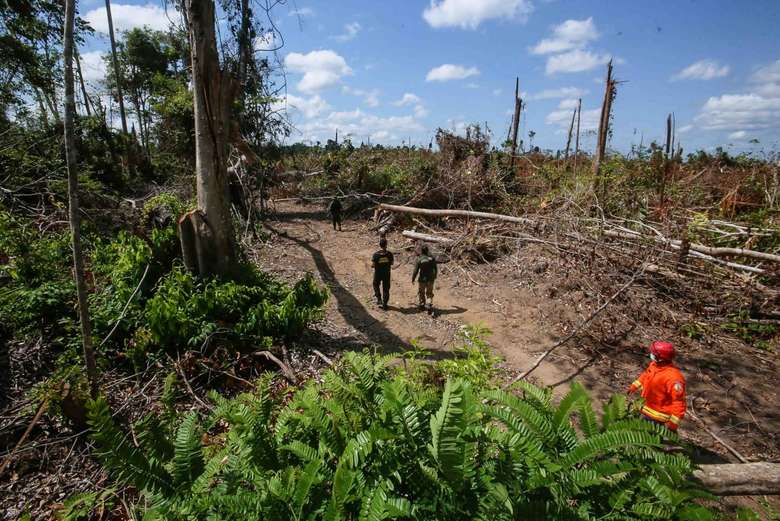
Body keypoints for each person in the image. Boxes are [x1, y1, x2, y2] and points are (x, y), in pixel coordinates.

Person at [628, 341, 686, 431]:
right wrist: (634, 386)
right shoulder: (654, 366)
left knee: (648, 440)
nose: (651, 354)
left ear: (660, 358)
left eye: (653, 353)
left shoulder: (673, 378)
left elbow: (678, 403)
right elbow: (645, 375)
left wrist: (672, 425)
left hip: (657, 417)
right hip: (645, 408)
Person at [412, 244, 437, 314]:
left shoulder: (419, 259)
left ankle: (422, 305)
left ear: (422, 252)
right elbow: (435, 268)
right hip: (431, 279)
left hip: (422, 279)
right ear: (427, 251)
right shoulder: (432, 259)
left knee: (421, 292)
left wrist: (413, 279)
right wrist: (435, 276)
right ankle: (429, 305)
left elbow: (415, 271)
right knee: (429, 293)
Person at [371, 237, 394, 310]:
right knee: (386, 289)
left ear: (379, 245)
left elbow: (373, 265)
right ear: (386, 245)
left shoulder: (376, 255)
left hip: (378, 274)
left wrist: (373, 265)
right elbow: (392, 263)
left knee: (375, 284)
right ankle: (385, 304)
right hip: (386, 274)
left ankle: (379, 299)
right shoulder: (389, 254)